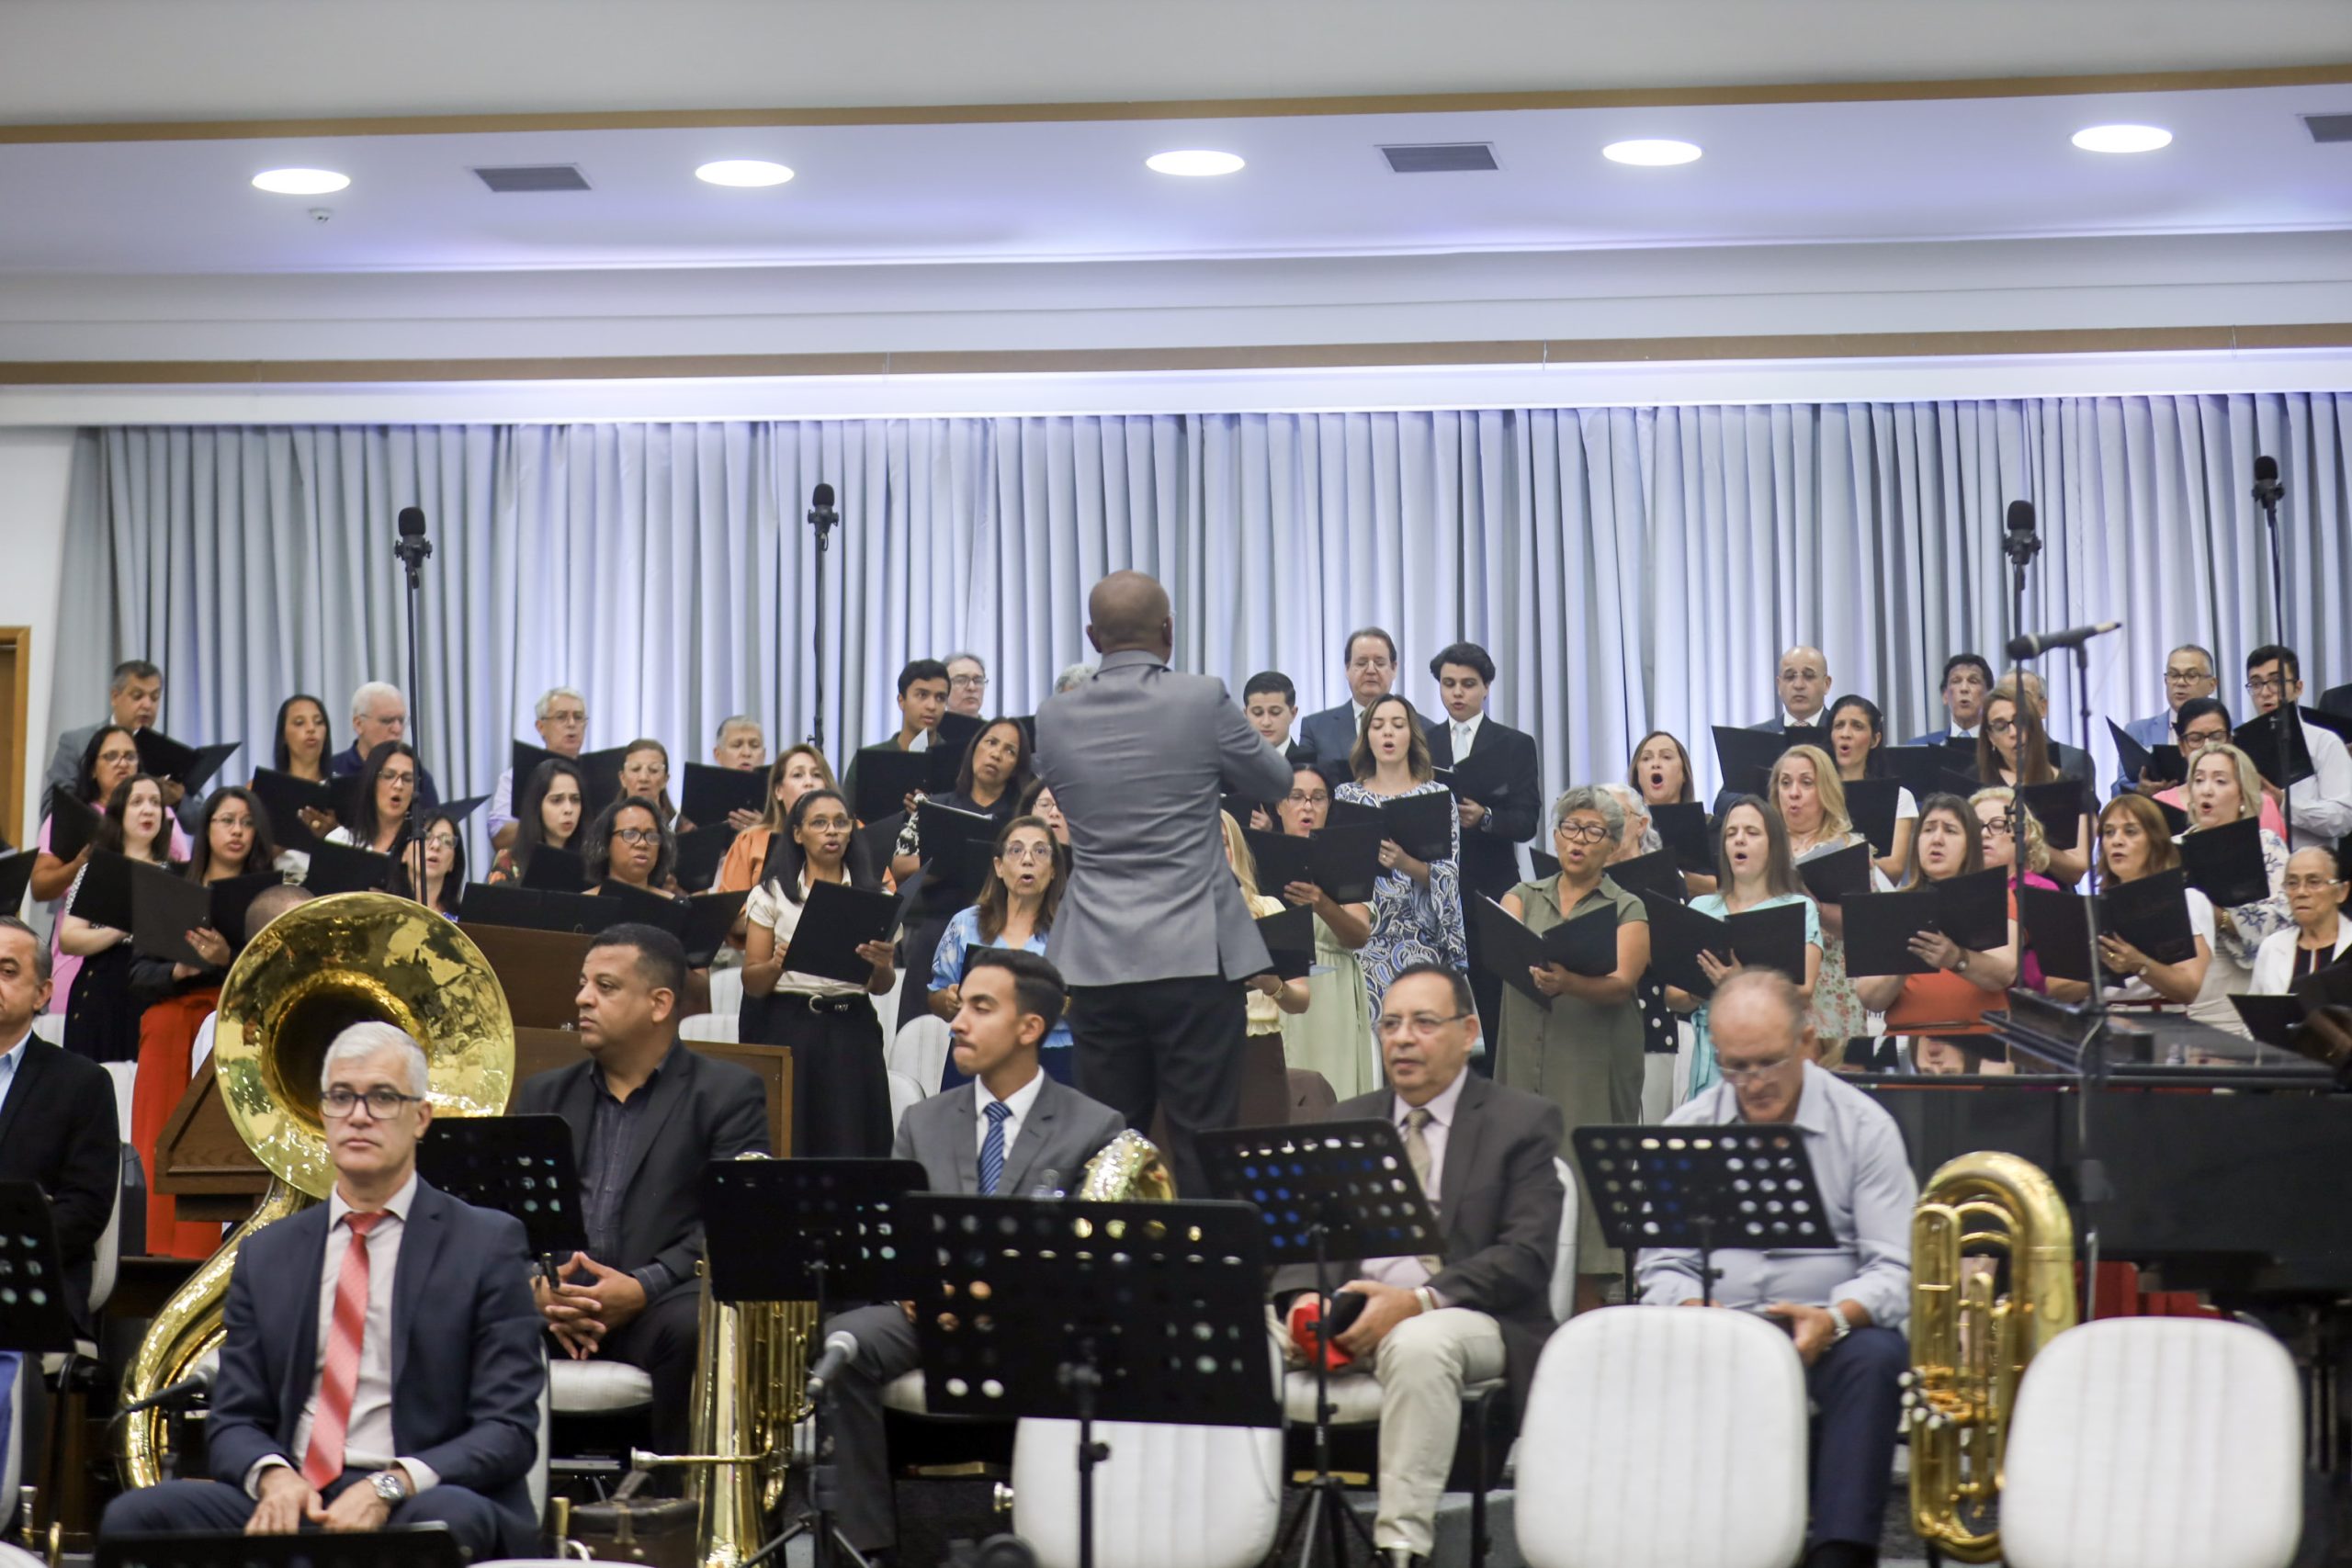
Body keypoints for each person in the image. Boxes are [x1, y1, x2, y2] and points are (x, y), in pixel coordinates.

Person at [103, 1021, 543, 1557]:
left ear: (421, 1118)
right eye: (341, 1097)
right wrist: (273, 1479)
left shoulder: (486, 1243)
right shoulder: (268, 1253)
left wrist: (389, 1486)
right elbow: (235, 1419)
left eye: (383, 1098)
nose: (359, 1115)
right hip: (299, 1491)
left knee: (444, 1523)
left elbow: (507, 1430)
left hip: (420, 1493)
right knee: (136, 1517)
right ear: (322, 1115)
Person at [821, 949, 1125, 1563]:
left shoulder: (1094, 1126)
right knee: (844, 1344)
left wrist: (997, 1295)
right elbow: (896, 1234)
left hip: (1038, 1323)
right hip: (929, 1315)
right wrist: (915, 1283)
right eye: (960, 1005)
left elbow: (1094, 1261)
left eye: (981, 1008)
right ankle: (865, 1548)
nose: (957, 1021)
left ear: (1030, 1027)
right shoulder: (922, 1120)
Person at [1273, 964, 1562, 1567]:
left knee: (1419, 1344)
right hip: (1348, 1305)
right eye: (1391, 1024)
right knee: (1229, 1335)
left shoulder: (1522, 1121)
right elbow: (1304, 1242)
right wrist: (1301, 1300)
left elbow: (1526, 1257)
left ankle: (1401, 1547)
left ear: (1468, 1032)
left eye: (1424, 1023)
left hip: (1466, 1313)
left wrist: (1416, 1302)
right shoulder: (1348, 1120)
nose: (1403, 1038)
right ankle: (1246, 1531)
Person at [1638, 971, 1914, 1568]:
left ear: (1807, 1042)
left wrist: (1835, 1318)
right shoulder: (1688, 1129)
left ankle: (1838, 1552)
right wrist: (1692, 1309)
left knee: (1876, 1356)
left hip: (1830, 1332)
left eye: (1768, 1063)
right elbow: (1661, 1264)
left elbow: (1895, 1267)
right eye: (1735, 1067)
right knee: (1641, 1346)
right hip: (1715, 1331)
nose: (1753, 1083)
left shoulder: (1864, 1126)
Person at [1032, 570, 1294, 1197]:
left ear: (1092, 636)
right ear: (1169, 630)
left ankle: (1108, 1258)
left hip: (1096, 955)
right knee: (1203, 1138)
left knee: (1108, 1146)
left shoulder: (1055, 715)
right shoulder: (1201, 699)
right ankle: (1207, 1258)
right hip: (1194, 952)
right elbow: (1277, 780)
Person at [514, 926, 769, 1459]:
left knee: (698, 1327)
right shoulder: (546, 1093)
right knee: (459, 1308)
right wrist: (537, 1288)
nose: (583, 998)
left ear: (660, 1004)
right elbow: (510, 1218)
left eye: (605, 986)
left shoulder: (726, 1093)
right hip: (556, 1304)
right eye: (583, 984)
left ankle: (677, 1496)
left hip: (658, 1307)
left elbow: (733, 1221)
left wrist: (641, 1287)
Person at [1497, 787, 1650, 1312]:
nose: (1578, 840)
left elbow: (1622, 983)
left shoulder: (1627, 906)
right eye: (1569, 828)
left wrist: (1569, 983)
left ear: (1612, 845)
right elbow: (1503, 948)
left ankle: (1590, 1316)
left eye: (1592, 832)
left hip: (1591, 1059)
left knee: (1586, 1178)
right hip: (1526, 1049)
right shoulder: (1521, 896)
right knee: (1524, 1166)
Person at [130, 786, 280, 1257]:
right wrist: (179, 971)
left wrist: (225, 959)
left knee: (218, 1134)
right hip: (171, 1018)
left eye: (247, 823)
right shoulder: (170, 885)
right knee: (163, 1128)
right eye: (226, 820)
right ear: (206, 828)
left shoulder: (268, 896)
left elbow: (278, 971)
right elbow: (137, 975)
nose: (237, 831)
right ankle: (157, 1244)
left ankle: (212, 1243)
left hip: (233, 1018)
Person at [741, 789, 897, 1156]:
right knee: (791, 1140)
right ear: (798, 834)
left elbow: (882, 986)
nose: (832, 831)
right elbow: (752, 982)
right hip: (790, 1024)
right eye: (820, 823)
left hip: (852, 1026)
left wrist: (880, 965)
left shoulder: (877, 897)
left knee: (852, 1143)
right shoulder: (772, 894)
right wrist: (777, 964)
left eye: (841, 823)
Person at [0, 917, 119, 1336]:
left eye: (7, 971)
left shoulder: (81, 1083)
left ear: (42, 993)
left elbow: (85, 1210)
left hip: (30, 1285)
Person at [1667, 795, 1823, 1102]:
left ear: (1773, 845)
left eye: (1752, 832)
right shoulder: (1701, 907)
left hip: (1771, 1057)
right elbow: (1674, 997)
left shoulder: (1798, 907)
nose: (1739, 840)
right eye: (1731, 833)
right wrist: (1704, 988)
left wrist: (1738, 982)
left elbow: (1804, 992)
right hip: (1711, 1059)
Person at [1427, 640, 1541, 1052]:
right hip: (1432, 890)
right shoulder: (1422, 742)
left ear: (1487, 687)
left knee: (1494, 1006)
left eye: (1468, 684)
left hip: (1491, 888)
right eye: (1449, 684)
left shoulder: (1514, 744)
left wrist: (1486, 817)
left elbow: (1527, 821)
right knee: (1435, 1006)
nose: (1457, 693)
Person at [890, 716, 1034, 1029]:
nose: (996, 754)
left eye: (1009, 750)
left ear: (1017, 766)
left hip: (998, 934)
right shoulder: (934, 806)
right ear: (974, 750)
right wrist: (946, 861)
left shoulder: (1021, 820)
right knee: (919, 1036)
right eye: (991, 743)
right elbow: (899, 867)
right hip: (937, 930)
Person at [1338, 694, 1468, 1026]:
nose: (1388, 733)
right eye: (1378, 726)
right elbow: (1335, 870)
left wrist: (1404, 862)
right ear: (1366, 736)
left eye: (1397, 725)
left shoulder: (1437, 796)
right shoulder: (1346, 796)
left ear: (1412, 735)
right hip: (1364, 940)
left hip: (1421, 940)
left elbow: (1449, 876)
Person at [1852, 795, 2023, 1044]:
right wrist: (1907, 958)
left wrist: (1955, 958)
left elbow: (2005, 973)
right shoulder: (1892, 903)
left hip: (1981, 1042)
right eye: (1928, 829)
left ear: (1970, 845)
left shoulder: (1996, 895)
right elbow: (1870, 998)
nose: (1937, 839)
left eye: (1950, 830)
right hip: (1907, 1042)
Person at [929, 816, 1073, 1088]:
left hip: (1052, 1058)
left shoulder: (1072, 930)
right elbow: (935, 995)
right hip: (976, 1052)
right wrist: (947, 1001)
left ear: (1054, 868)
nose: (1027, 859)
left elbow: (1089, 1006)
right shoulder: (965, 924)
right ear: (999, 866)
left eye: (1040, 851)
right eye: (1016, 850)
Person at [1272, 764, 1381, 1103]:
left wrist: (1322, 904)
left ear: (1329, 806)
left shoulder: (1345, 858)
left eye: (1317, 798)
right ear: (1279, 805)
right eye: (1296, 797)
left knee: (1333, 1087)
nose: (1307, 806)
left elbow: (1359, 935)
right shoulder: (1256, 855)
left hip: (1331, 991)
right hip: (1274, 987)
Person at [1772, 745, 1888, 1064]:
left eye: (1806, 783)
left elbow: (1871, 928)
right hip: (1776, 992)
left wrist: (1817, 908)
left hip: (1834, 991)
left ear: (1825, 790)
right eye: (1785, 783)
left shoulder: (1850, 847)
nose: (1794, 793)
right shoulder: (1764, 847)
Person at [32, 724, 162, 1008]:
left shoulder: (159, 817)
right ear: (92, 768)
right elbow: (39, 887)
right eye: (111, 756)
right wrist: (79, 865)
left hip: (151, 967)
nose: (122, 764)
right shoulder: (71, 816)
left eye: (130, 756)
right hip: (81, 958)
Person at [57, 773, 179, 1063]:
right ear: (119, 813)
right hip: (102, 985)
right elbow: (69, 939)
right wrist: (123, 928)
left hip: (156, 983)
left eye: (155, 803)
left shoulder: (175, 875)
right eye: (137, 802)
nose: (148, 810)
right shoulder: (99, 869)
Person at [2051, 795, 2212, 1012]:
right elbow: (2055, 989)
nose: (2116, 841)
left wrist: (2138, 964)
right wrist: (2107, 971)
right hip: (2097, 1021)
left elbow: (2189, 988)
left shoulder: (2188, 900)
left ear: (2155, 841)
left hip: (2158, 1024)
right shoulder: (2090, 908)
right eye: (2109, 832)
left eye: (2130, 831)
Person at [2175, 742, 2291, 1033]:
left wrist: (2221, 917)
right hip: (2178, 994)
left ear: (2242, 795)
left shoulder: (2266, 845)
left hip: (2237, 991)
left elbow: (2285, 921)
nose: (2206, 790)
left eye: (2220, 781)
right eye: (2199, 780)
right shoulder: (2171, 850)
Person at [1599, 783, 1685, 1112]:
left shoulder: (1665, 876)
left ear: (1641, 824)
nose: (1607, 825)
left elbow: (1674, 950)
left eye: (1616, 814)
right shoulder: (1586, 881)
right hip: (1595, 1024)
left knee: (1650, 1128)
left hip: (1652, 1022)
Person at [1222, 811, 1312, 1120]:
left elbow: (1301, 1000)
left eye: (1223, 843)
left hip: (1258, 1051)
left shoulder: (1269, 908)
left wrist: (1273, 985)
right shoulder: (1176, 916)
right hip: (1200, 1048)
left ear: (1236, 850)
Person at [712, 744, 836, 953]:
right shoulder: (750, 840)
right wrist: (782, 919)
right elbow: (731, 919)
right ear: (778, 791)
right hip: (766, 954)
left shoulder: (852, 833)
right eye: (798, 775)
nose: (808, 782)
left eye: (816, 775)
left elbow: (882, 898)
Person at [1975, 685, 2092, 884]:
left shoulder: (2069, 785)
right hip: (1985, 891)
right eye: (2000, 726)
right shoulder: (1974, 781)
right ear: (1990, 736)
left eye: (2020, 721)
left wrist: (2030, 841)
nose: (2013, 732)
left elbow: (2078, 867)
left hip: (2050, 894)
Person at [2244, 644, 2352, 852]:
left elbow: (2343, 818)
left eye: (2276, 681)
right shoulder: (2241, 748)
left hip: (2311, 865)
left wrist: (2284, 803)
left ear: (2298, 687)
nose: (2265, 692)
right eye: (2256, 684)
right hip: (2254, 863)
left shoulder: (2325, 742)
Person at [2152, 697, 2290, 840]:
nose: (2207, 745)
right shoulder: (2160, 804)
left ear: (2230, 740)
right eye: (2196, 739)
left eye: (2217, 736)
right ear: (2181, 746)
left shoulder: (2263, 804)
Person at [1970, 787, 2063, 994]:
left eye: (1997, 825)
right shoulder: (1958, 888)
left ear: (2024, 834)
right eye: (1976, 827)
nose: (1984, 834)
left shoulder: (2042, 891)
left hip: (2023, 1004)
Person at [46, 659, 165, 807]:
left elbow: (192, 816)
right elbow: (53, 806)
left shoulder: (165, 753)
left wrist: (177, 801)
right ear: (114, 697)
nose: (147, 705)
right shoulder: (77, 743)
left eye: (154, 698)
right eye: (137, 696)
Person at [1300, 626, 1418, 776]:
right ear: (1347, 669)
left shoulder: (1423, 727)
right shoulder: (1316, 728)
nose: (1371, 670)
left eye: (1379, 663)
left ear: (1394, 668)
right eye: (1361, 663)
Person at [1825, 694, 1917, 880]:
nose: (1845, 734)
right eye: (1839, 725)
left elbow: (1895, 868)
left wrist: (1839, 863)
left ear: (1875, 739)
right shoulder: (1816, 794)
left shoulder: (1900, 796)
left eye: (1857, 726)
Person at [488, 685, 588, 851]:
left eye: (578, 717)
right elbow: (500, 838)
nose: (572, 724)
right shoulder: (515, 777)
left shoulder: (603, 775)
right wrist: (546, 821)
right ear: (541, 727)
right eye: (561, 717)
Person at [2114, 644, 2217, 796]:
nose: (2180, 682)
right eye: (2173, 675)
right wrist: (2140, 791)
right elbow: (2117, 789)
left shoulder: (2232, 730)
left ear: (2212, 685)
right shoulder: (2138, 731)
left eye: (2191, 675)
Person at [2251, 846, 2351, 992]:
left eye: (2314, 882)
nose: (2301, 892)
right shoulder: (2271, 947)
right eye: (2292, 883)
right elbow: (2257, 1004)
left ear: (2342, 891)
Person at [331, 682, 443, 807]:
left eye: (401, 721)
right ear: (358, 724)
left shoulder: (416, 775)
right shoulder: (330, 770)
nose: (397, 729)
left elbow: (432, 818)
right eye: (387, 721)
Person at [484, 757, 588, 885]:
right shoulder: (508, 861)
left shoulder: (593, 863)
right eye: (556, 800)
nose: (569, 809)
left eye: (575, 800)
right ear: (537, 806)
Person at [323, 740, 418, 858]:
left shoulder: (422, 846)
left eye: (408, 778)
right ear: (371, 781)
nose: (399, 785)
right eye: (388, 776)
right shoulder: (341, 841)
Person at [585, 796, 683, 896]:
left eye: (652, 836)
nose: (643, 844)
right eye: (630, 834)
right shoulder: (583, 903)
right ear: (606, 842)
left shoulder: (673, 903)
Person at [1905, 653, 1994, 746]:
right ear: (1945, 696)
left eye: (1973, 681)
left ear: (1989, 695)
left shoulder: (2001, 746)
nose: (1964, 688)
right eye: (1956, 681)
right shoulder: (1918, 747)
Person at [390, 811, 467, 918]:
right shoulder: (383, 912)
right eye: (424, 837)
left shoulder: (464, 921)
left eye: (446, 841)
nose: (435, 845)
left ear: (452, 864)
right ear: (403, 853)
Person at [1242, 671, 1313, 769]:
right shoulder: (1230, 764)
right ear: (1245, 715)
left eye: (1275, 712)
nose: (1266, 722)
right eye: (1257, 713)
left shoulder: (1311, 765)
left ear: (1293, 713)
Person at [1757, 644, 1833, 730]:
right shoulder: (1755, 735)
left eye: (1809, 676)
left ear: (1826, 684)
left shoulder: (1841, 732)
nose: (1798, 685)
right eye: (1790, 676)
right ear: (1779, 685)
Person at [617, 739, 679, 827]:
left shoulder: (683, 828)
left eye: (654, 770)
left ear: (665, 780)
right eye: (635, 769)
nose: (644, 778)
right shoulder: (607, 827)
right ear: (623, 779)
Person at [944, 650, 989, 717]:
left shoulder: (996, 724)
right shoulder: (931, 724)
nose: (972, 687)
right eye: (961, 681)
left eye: (978, 681)